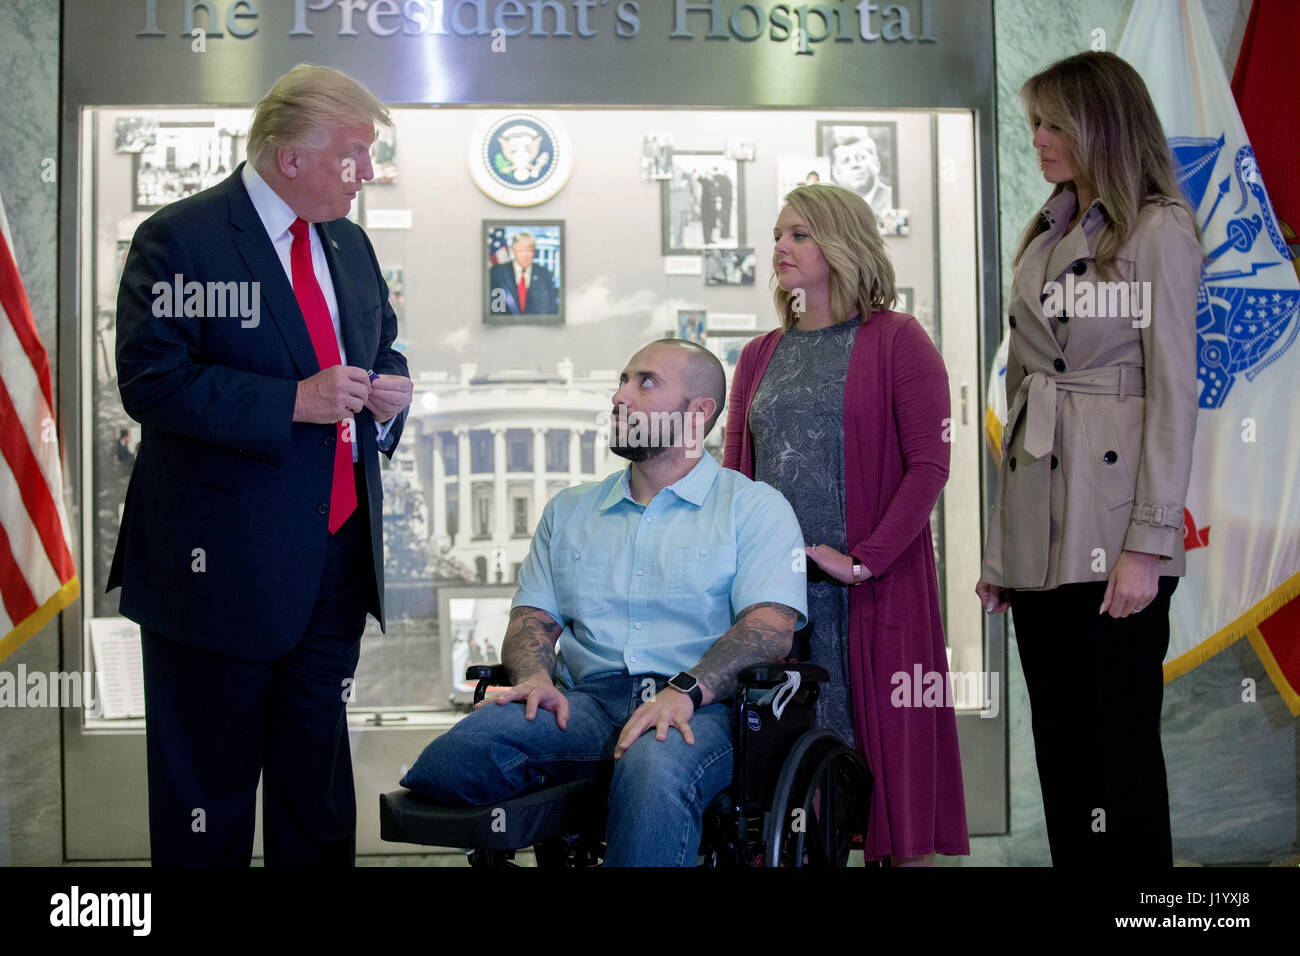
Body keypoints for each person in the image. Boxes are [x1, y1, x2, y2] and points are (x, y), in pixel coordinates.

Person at [109, 64, 414, 866]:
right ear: (292, 158)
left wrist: (390, 395)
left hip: (335, 563)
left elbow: (380, 348)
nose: (368, 173)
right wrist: (292, 401)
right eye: (354, 155)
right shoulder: (182, 237)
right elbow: (152, 382)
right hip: (217, 571)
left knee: (315, 796)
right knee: (207, 798)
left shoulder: (349, 243)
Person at [400, 339, 808, 866]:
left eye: (646, 382)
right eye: (621, 380)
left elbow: (769, 629)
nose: (620, 396)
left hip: (703, 708)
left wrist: (685, 691)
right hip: (587, 705)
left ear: (699, 412)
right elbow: (533, 618)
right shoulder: (570, 510)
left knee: (653, 763)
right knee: (453, 761)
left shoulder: (754, 508)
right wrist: (535, 679)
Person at [975, 51, 1202, 867]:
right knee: (1063, 755)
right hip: (1042, 540)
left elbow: (1176, 393)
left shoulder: (1159, 228)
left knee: (1122, 757)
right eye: (1033, 121)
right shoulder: (1045, 231)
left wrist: (1149, 542)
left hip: (1118, 532)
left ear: (1099, 125)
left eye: (1052, 123)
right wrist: (1005, 551)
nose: (1035, 138)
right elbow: (1030, 394)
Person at [723, 183, 969, 866]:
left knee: (882, 775)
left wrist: (863, 560)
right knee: (779, 780)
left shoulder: (897, 340)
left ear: (842, 243)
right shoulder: (757, 354)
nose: (781, 247)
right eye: (778, 234)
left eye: (799, 233)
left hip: (871, 591)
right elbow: (736, 478)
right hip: (779, 598)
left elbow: (930, 466)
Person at [828, 128, 894, 218]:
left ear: (876, 164)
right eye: (845, 161)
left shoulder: (891, 199)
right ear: (836, 172)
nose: (855, 165)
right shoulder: (829, 207)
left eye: (861, 157)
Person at [487, 232, 558, 316]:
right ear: (513, 251)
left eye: (529, 251)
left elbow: (550, 309)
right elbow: (495, 310)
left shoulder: (545, 274)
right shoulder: (498, 273)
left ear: (534, 252)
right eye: (520, 251)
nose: (525, 255)